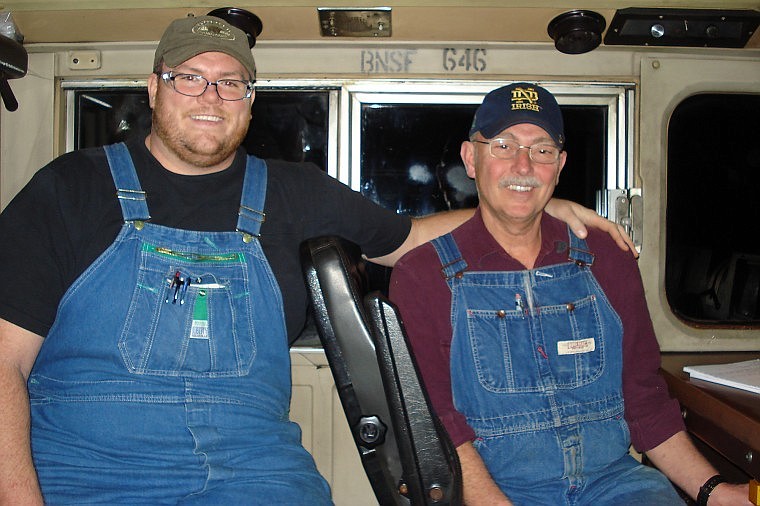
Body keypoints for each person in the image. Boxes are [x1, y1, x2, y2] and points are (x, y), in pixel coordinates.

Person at [0, 14, 632, 504]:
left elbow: (409, 237)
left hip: (255, 473)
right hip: (86, 470)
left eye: (230, 82)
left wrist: (534, 206)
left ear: (250, 98)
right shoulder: (69, 189)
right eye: (188, 77)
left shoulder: (293, 191)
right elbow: (4, 367)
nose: (209, 96)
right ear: (154, 88)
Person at [390, 83, 752, 506]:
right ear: (471, 159)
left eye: (541, 150)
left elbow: (644, 399)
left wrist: (715, 492)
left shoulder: (608, 259)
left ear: (559, 166)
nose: (523, 165)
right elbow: (437, 424)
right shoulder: (421, 275)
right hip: (496, 491)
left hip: (616, 486)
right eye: (503, 145)